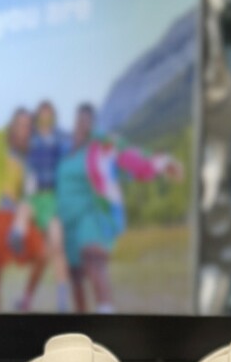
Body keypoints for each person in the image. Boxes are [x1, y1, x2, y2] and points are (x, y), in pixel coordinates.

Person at [56, 103, 183, 313]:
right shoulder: (64, 150)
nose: (82, 125)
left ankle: (106, 312)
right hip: (67, 221)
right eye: (79, 120)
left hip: (93, 213)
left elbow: (128, 155)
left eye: (87, 121)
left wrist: (162, 163)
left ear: (93, 124)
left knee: (94, 260)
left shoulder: (101, 146)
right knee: (76, 276)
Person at [0, 107, 47, 311]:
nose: (24, 129)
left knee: (42, 254)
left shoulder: (29, 157)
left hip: (18, 216)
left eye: (28, 126)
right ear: (12, 126)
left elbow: (30, 191)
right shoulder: (0, 146)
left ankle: (26, 299)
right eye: (20, 124)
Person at [26, 101, 71, 312]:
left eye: (49, 114)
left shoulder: (60, 138)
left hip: (54, 198)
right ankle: (27, 297)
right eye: (42, 114)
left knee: (56, 246)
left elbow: (70, 152)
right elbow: (28, 169)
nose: (45, 118)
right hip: (36, 199)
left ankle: (62, 300)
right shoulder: (32, 139)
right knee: (43, 254)